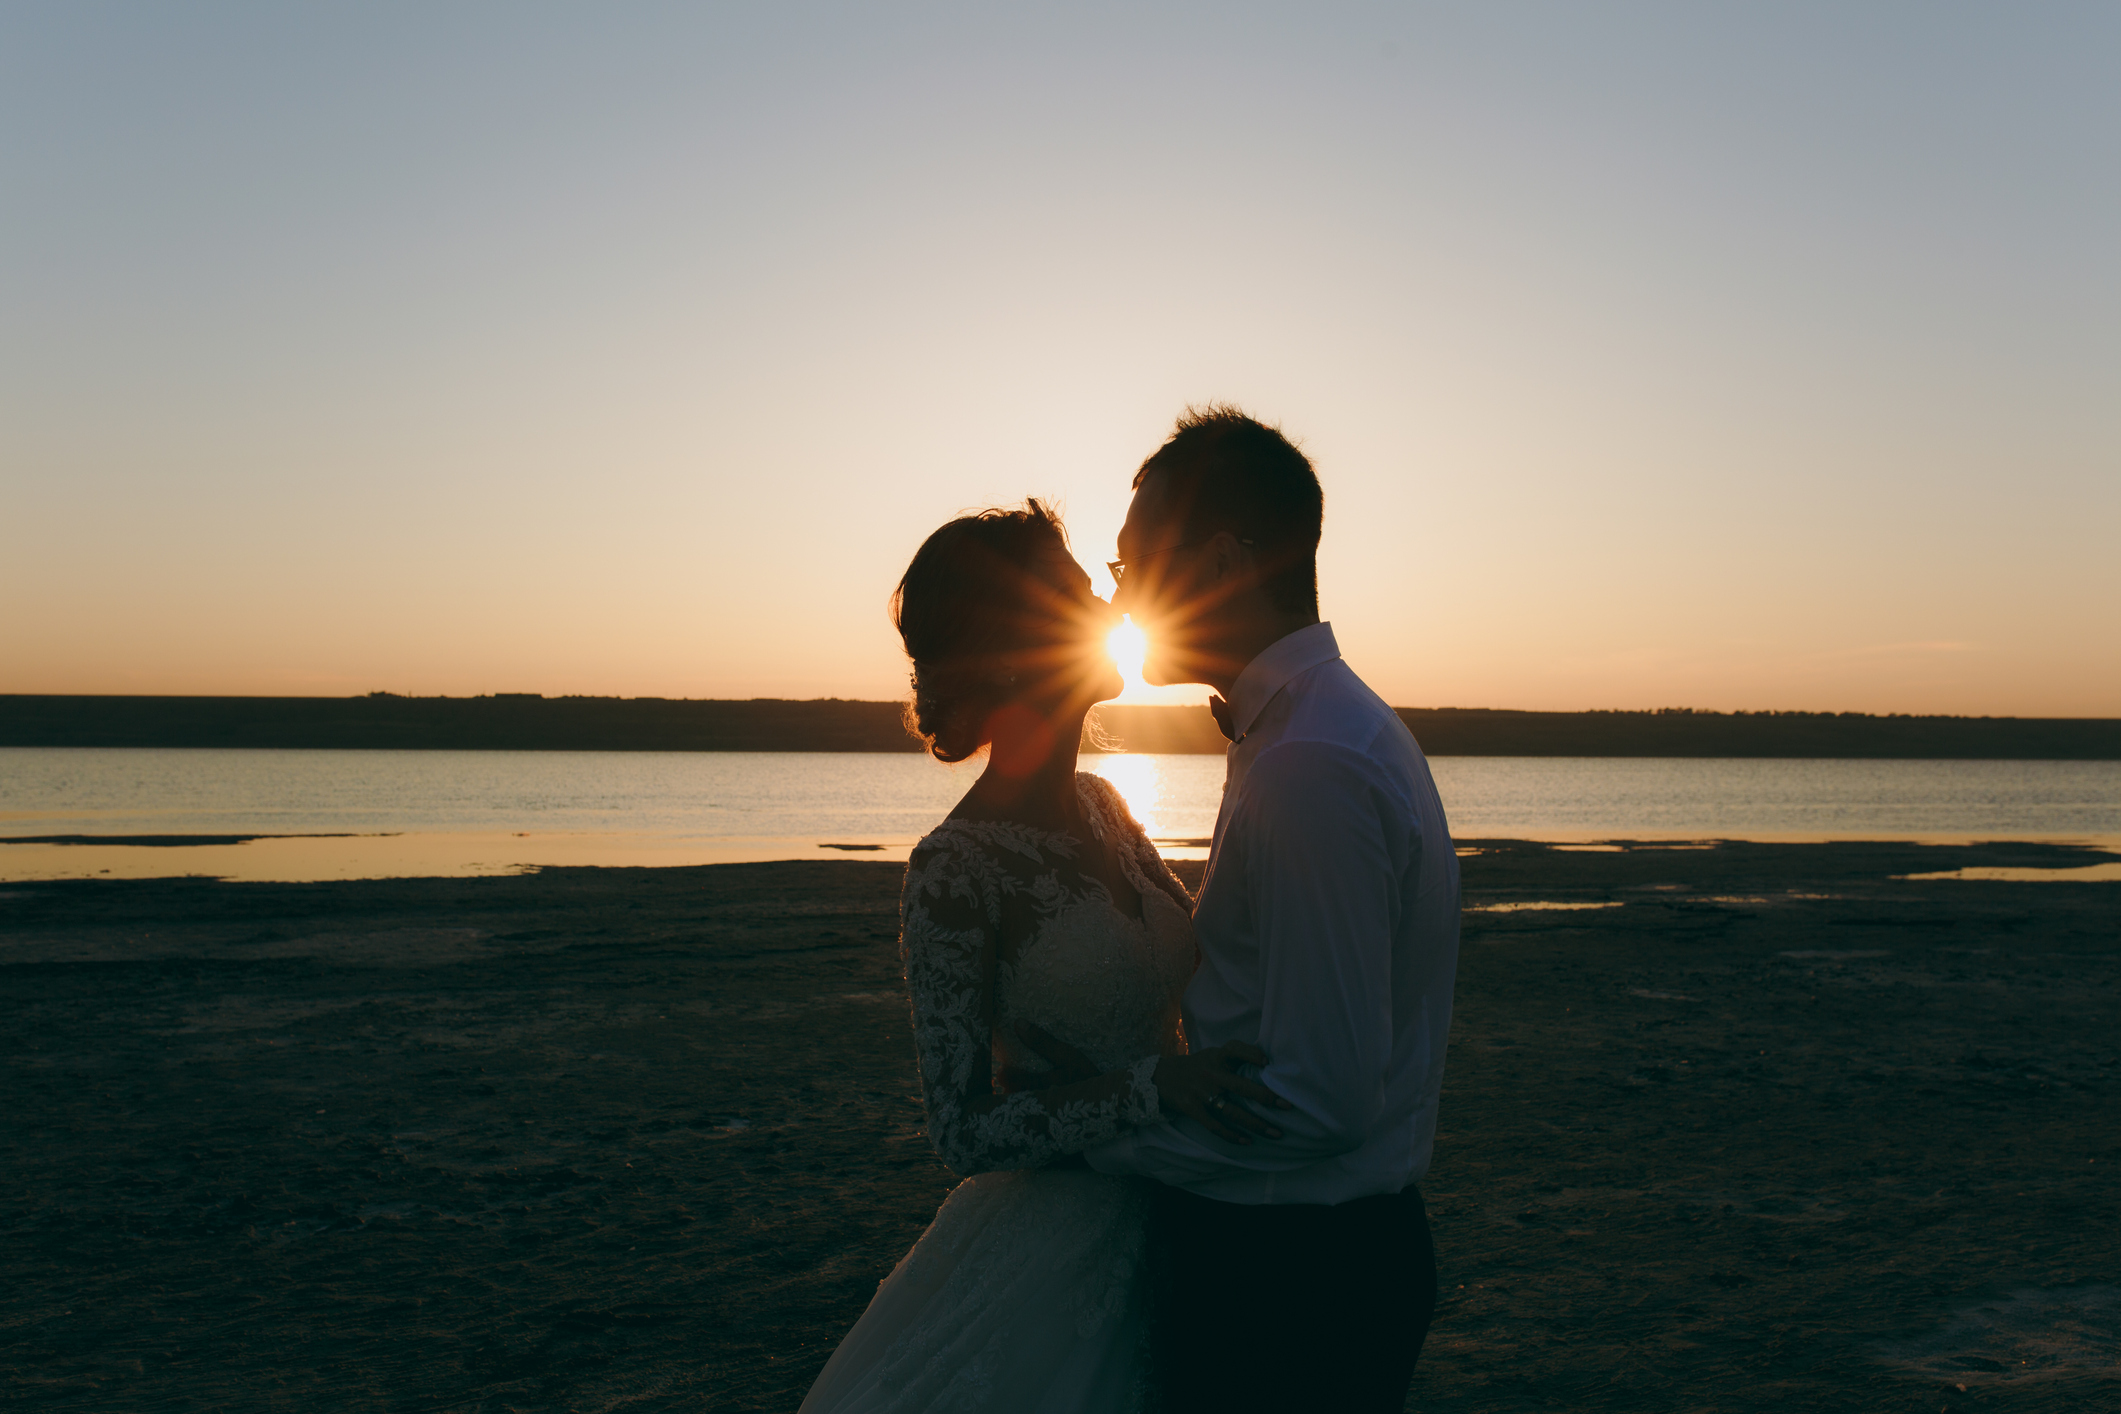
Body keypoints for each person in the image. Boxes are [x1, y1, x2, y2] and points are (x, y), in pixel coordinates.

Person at [799, 500, 1286, 1414]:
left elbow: (1202, 966)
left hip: (1178, 1208)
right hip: (1055, 1248)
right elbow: (961, 1131)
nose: (1110, 610)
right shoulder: (955, 866)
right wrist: (1151, 1091)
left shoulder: (1106, 804)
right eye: (1072, 596)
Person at [1085, 407, 1462, 1414]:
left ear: (1217, 561)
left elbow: (1320, 1098)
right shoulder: (1313, 734)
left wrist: (1102, 1133)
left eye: (1130, 566)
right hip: (1309, 1260)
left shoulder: (1309, 766)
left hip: (1290, 1280)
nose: (1117, 595)